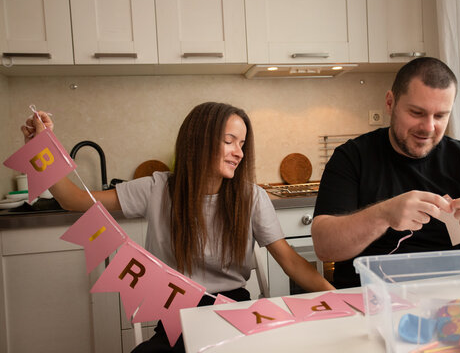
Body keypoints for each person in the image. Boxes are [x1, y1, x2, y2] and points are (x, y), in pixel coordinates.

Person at [22, 102, 334, 352]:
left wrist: (339, 298)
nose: (238, 151)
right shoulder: (156, 188)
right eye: (228, 141)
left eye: (241, 143)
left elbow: (291, 261)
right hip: (176, 315)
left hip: (233, 311)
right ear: (198, 142)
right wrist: (39, 149)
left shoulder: (252, 197)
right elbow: (73, 199)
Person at [311, 57, 460, 289]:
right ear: (390, 103)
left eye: (440, 116)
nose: (429, 127)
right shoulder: (352, 157)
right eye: (417, 113)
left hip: (448, 299)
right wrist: (384, 214)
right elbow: (324, 247)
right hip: (364, 299)